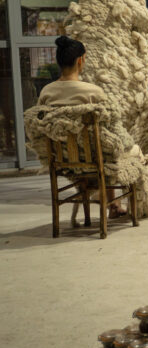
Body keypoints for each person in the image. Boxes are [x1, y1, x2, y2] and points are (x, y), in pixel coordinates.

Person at [37, 35, 127, 217]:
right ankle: (114, 204)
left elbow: (40, 126)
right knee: (116, 148)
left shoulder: (46, 92)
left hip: (62, 160)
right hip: (95, 159)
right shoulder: (93, 92)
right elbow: (110, 131)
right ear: (81, 60)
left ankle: (104, 198)